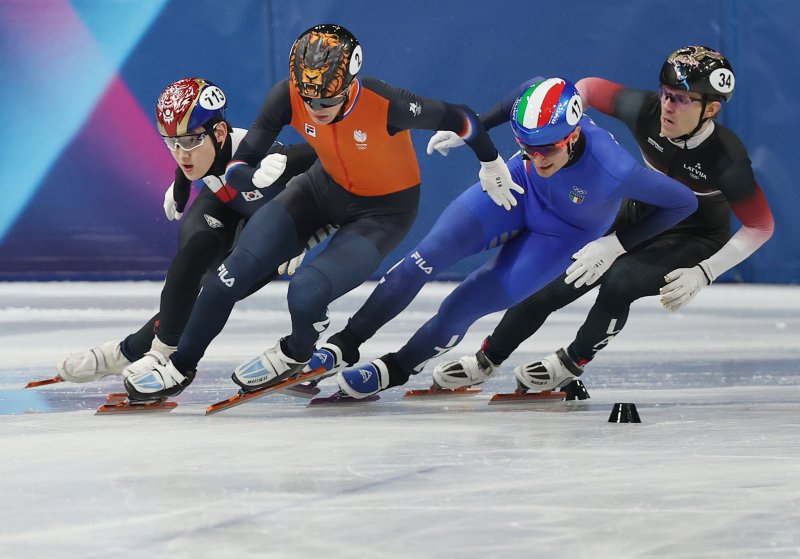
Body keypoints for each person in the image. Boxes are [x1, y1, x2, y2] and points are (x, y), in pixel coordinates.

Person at [123, 23, 520, 401]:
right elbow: (245, 155)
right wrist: (249, 174)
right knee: (229, 275)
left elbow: (462, 116)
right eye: (308, 99)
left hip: (383, 212)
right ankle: (180, 366)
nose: (315, 109)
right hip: (320, 188)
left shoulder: (386, 103)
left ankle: (296, 351)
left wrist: (490, 162)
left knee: (306, 289)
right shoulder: (287, 94)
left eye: (327, 101)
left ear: (350, 85)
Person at [432, 45, 775, 395]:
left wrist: (705, 272)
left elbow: (761, 226)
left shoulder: (727, 159)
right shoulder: (646, 110)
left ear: (711, 109)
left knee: (620, 282)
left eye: (682, 99)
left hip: (695, 235)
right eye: (666, 93)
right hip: (643, 210)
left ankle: (572, 361)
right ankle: (487, 359)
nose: (667, 106)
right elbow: (589, 88)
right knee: (552, 274)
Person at [332, 75, 699, 399]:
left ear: (572, 136)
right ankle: (344, 344)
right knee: (423, 258)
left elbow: (683, 203)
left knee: (464, 304)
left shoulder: (615, 169)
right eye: (527, 147)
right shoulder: (536, 114)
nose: (538, 158)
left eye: (548, 149)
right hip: (516, 188)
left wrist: (615, 244)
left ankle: (397, 368)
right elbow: (524, 92)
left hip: (563, 234)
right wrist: (474, 129)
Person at [56, 77, 319, 385]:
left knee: (213, 293)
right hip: (221, 203)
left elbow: (325, 159)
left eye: (191, 141)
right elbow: (188, 155)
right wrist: (180, 185)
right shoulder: (195, 151)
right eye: (171, 142)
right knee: (193, 255)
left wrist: (303, 234)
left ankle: (127, 352)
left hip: (273, 221)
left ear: (220, 133)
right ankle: (155, 352)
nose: (181, 155)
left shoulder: (262, 156)